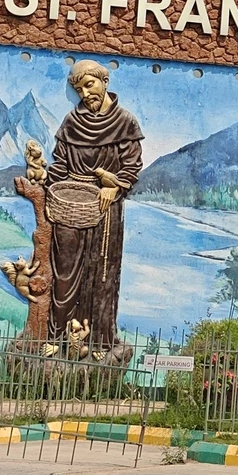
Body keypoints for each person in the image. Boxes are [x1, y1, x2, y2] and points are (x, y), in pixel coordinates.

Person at [46, 60, 143, 351]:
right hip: (71, 204)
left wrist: (114, 187)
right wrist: (47, 186)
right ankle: (57, 337)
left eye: (90, 85)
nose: (86, 94)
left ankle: (99, 341)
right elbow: (59, 164)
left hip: (106, 207)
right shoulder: (71, 122)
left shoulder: (125, 122)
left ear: (105, 82)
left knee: (102, 273)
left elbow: (131, 166)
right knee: (65, 273)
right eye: (79, 90)